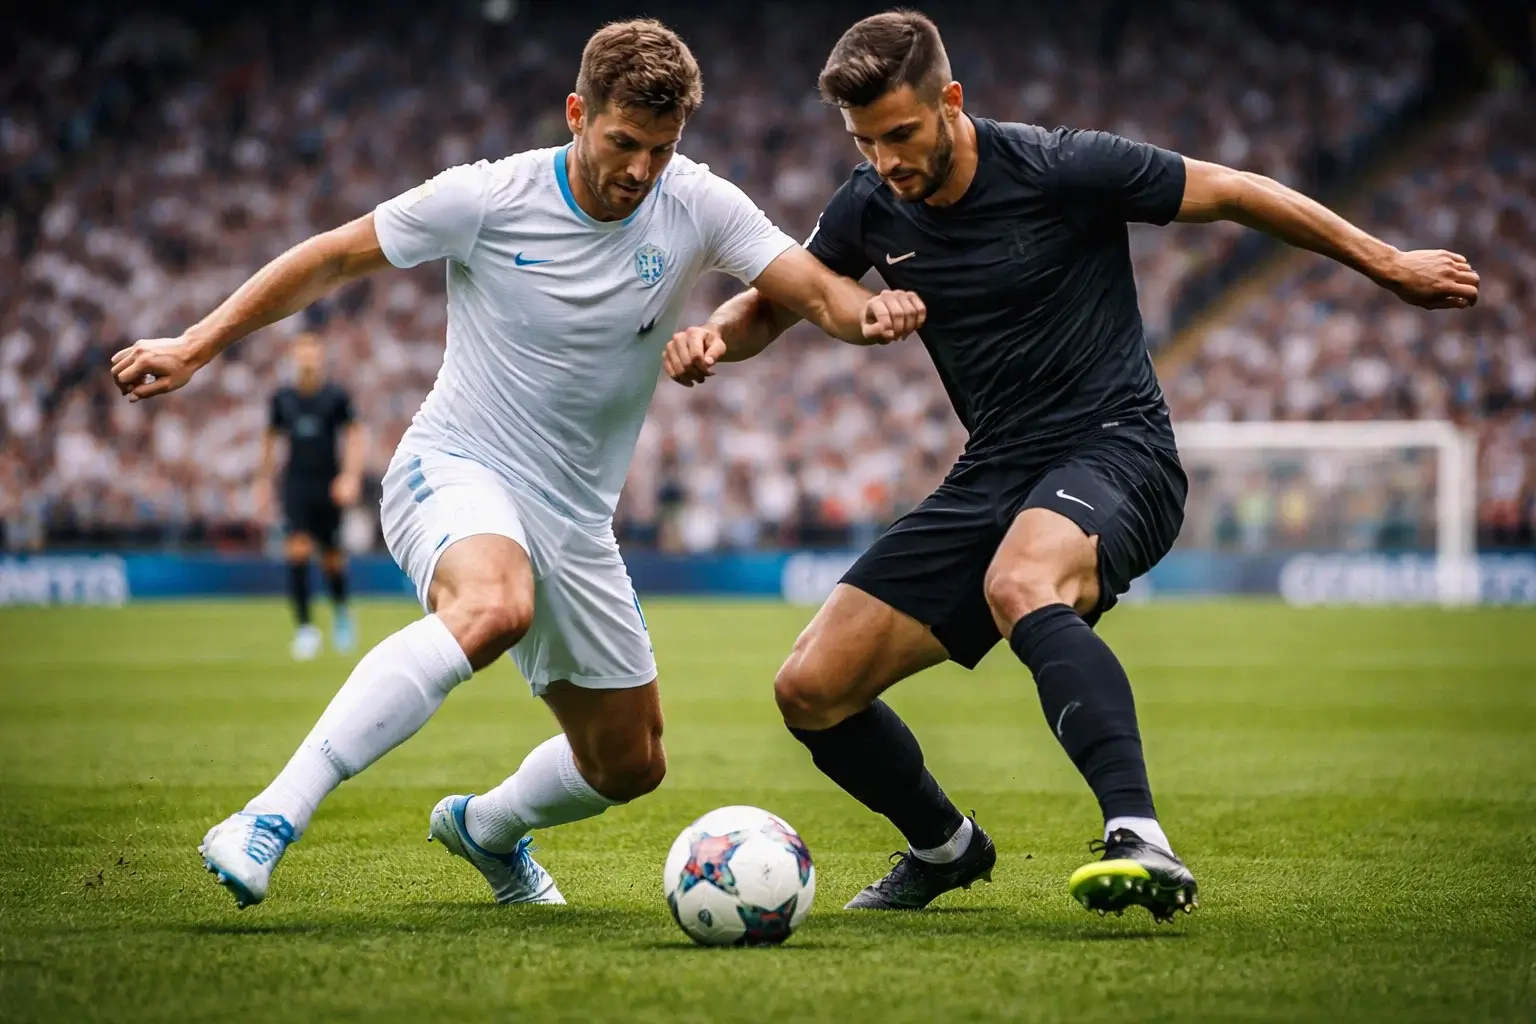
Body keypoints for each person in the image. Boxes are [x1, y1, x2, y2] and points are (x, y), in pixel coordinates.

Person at [664, 9, 1479, 919]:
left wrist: (1387, 262)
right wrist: (712, 336)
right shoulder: (869, 204)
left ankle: (1141, 835)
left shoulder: (1062, 166)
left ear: (951, 102)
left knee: (1022, 583)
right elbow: (778, 301)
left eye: (901, 134)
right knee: (811, 690)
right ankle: (945, 847)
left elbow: (1241, 190)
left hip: (1116, 446)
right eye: (866, 140)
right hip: (994, 472)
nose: (887, 159)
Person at [110, 18, 925, 910]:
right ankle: (269, 817)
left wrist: (870, 315)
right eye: (623, 142)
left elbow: (812, 292)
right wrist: (197, 344)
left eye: (661, 149)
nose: (641, 170)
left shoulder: (699, 203)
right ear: (577, 113)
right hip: (458, 465)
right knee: (495, 605)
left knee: (630, 764)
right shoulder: (487, 197)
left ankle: (485, 829)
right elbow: (332, 258)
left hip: (575, 517)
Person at [257, 332, 364, 660]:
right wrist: (262, 482)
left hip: (328, 484)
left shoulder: (335, 396)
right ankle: (305, 629)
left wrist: (350, 476)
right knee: (297, 551)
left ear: (321, 357)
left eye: (312, 352)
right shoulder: (282, 398)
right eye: (302, 352)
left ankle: (342, 614)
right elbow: (271, 441)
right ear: (294, 357)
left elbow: (355, 435)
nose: (307, 358)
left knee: (332, 559)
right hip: (296, 484)